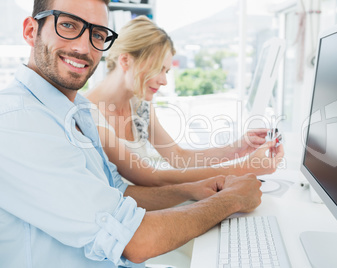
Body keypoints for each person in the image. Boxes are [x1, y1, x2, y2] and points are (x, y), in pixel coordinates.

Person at [0, 0, 280, 267]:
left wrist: (202, 182)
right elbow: (138, 220)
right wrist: (234, 191)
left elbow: (121, 190)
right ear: (30, 30)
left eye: (97, 34)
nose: (83, 46)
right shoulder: (18, 121)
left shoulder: (79, 111)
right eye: (69, 25)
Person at [86, 16, 285, 186]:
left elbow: (178, 157)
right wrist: (246, 168)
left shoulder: (139, 104)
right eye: (158, 69)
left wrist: (237, 148)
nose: (163, 81)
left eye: (167, 71)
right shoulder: (88, 114)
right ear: (125, 60)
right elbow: (152, 178)